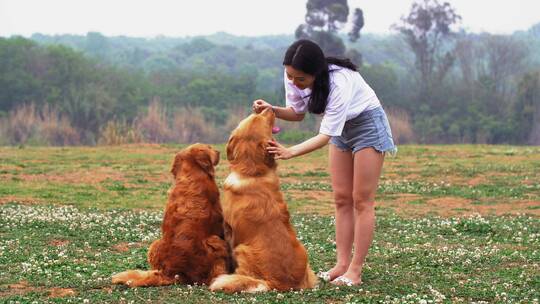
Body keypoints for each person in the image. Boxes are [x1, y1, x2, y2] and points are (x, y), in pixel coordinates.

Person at [252, 39, 396, 286]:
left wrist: (290, 151)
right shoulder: (294, 75)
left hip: (367, 125)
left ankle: (355, 270)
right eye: (290, 76)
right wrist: (271, 109)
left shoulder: (340, 82)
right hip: (342, 129)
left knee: (362, 200)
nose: (295, 82)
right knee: (341, 198)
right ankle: (341, 265)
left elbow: (325, 135)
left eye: (301, 80)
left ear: (316, 74)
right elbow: (297, 113)